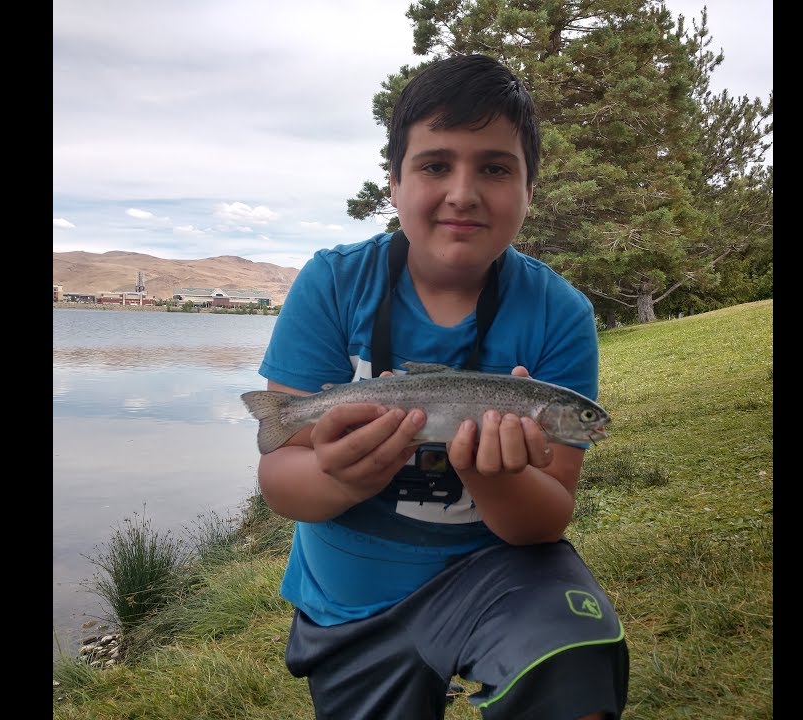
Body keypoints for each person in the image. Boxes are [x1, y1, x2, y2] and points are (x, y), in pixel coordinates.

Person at [254, 53, 628, 719]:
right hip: (349, 599)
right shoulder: (333, 284)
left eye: (494, 167)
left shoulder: (560, 314)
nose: (463, 191)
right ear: (393, 184)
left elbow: (549, 518)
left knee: (574, 674)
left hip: (501, 580)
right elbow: (280, 480)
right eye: (435, 165)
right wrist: (342, 477)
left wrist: (495, 474)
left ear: (529, 191)